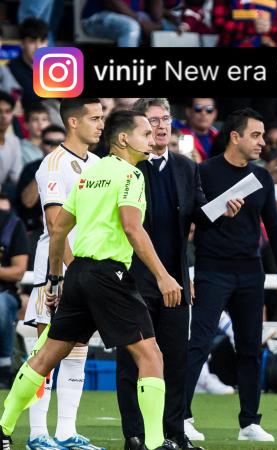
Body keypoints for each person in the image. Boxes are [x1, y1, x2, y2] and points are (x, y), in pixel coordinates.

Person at [0, 109, 182, 450]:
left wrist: (55, 279)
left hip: (79, 273)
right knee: (151, 355)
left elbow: (58, 229)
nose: (153, 137)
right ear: (125, 139)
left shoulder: (91, 173)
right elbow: (132, 227)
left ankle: (3, 425)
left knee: (46, 355)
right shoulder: (130, 176)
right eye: (145, 132)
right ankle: (157, 443)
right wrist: (163, 276)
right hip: (109, 275)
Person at [118, 98, 240, 450]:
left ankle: (174, 433)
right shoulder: (127, 167)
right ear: (138, 127)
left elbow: (197, 216)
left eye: (166, 118)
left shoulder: (186, 167)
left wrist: (222, 209)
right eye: (153, 120)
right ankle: (135, 435)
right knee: (133, 361)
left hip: (174, 277)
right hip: (132, 278)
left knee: (176, 358)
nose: (161, 126)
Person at [185, 108, 277, 443]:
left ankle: (250, 422)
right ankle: (181, 416)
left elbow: (275, 229)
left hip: (251, 272)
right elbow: (190, 221)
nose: (263, 142)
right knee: (199, 345)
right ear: (235, 136)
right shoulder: (203, 171)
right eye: (256, 135)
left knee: (250, 349)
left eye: (262, 136)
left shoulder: (261, 178)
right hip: (212, 269)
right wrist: (219, 210)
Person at [22, 98, 103, 450]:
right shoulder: (53, 164)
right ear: (73, 122)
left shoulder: (99, 164)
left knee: (78, 350)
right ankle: (37, 432)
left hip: (86, 269)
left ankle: (67, 432)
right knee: (46, 352)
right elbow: (56, 226)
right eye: (95, 118)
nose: (101, 125)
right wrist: (73, 269)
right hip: (56, 271)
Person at [0, 196, 28, 387]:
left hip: (4, 292)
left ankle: (5, 364)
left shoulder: (12, 224)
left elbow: (19, 270)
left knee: (0, 304)